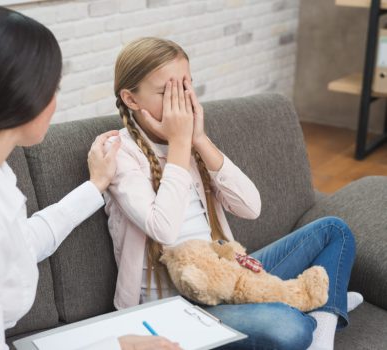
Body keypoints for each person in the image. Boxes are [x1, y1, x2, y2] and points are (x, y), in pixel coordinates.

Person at [0, 8, 180, 350]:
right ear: (26, 99)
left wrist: (94, 186)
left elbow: (19, 243)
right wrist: (116, 347)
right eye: (53, 88)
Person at [103, 37, 363, 350]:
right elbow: (163, 228)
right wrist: (180, 143)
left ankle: (323, 323)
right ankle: (316, 305)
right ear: (131, 100)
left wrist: (199, 140)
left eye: (185, 87)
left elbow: (251, 207)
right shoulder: (119, 154)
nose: (181, 102)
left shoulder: (193, 144)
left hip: (228, 275)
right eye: (166, 92)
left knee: (335, 230)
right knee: (288, 329)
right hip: (182, 309)